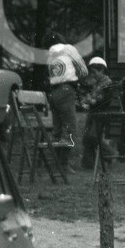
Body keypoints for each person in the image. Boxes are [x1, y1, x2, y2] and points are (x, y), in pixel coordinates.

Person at [46, 38, 88, 173]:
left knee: (57, 129)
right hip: (66, 90)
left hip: (53, 92)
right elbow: (83, 70)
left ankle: (56, 163)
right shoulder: (69, 49)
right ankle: (63, 164)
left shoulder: (51, 54)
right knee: (70, 129)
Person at [78, 56, 119, 169]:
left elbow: (103, 100)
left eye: (94, 72)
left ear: (102, 70)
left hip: (101, 114)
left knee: (93, 137)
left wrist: (91, 101)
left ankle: (111, 153)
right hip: (93, 113)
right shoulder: (97, 83)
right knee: (86, 138)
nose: (93, 75)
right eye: (91, 72)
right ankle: (88, 164)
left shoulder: (107, 84)